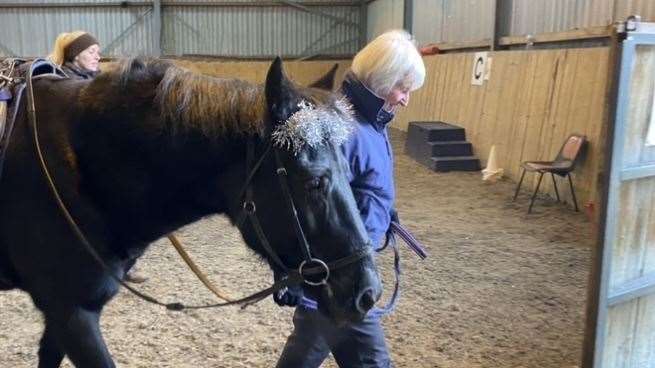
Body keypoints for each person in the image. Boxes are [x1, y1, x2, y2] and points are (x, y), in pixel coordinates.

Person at [275, 29, 426, 368]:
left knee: (306, 353)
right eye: (403, 88)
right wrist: (295, 269)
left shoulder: (372, 122)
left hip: (347, 268)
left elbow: (365, 185)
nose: (405, 99)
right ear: (383, 79)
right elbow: (310, 203)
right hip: (338, 277)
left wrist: (385, 213)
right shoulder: (345, 129)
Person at [48, 31, 147, 284]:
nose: (98, 56)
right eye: (92, 51)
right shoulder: (62, 83)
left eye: (97, 51)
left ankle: (122, 263)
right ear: (75, 55)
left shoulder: (97, 81)